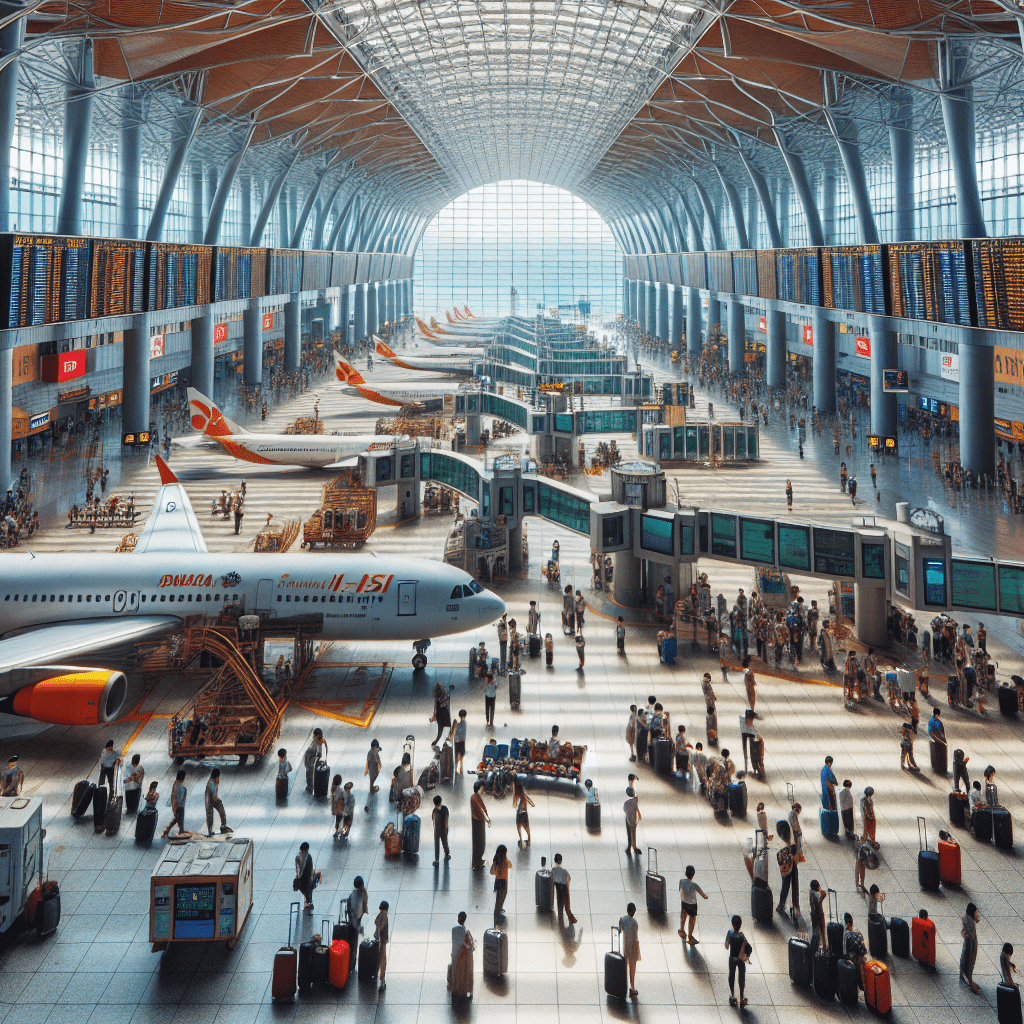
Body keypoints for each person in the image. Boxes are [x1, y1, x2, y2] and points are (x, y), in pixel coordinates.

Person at [776, 819, 799, 921]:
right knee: (788, 886)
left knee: (785, 886)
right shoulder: (788, 844)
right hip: (789, 868)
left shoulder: (783, 844)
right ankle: (783, 905)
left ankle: (782, 905)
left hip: (786, 869)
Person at [678, 865, 708, 944]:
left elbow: (679, 890)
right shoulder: (695, 885)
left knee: (683, 915)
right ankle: (690, 937)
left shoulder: (681, 881)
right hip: (692, 905)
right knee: (692, 919)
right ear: (693, 874)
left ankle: (681, 930)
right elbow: (704, 895)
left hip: (684, 902)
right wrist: (706, 896)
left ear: (685, 873)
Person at [725, 914, 749, 1007]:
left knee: (732, 975)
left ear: (733, 925)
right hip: (740, 960)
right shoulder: (742, 936)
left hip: (732, 958)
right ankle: (742, 997)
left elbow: (726, 946)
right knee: (741, 977)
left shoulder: (729, 933)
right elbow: (746, 946)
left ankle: (732, 995)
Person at [618, 903, 640, 1000]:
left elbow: (620, 930)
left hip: (625, 946)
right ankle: (632, 986)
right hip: (634, 946)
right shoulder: (635, 923)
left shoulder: (622, 919)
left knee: (624, 966)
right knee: (632, 968)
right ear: (634, 912)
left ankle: (622, 985)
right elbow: (635, 936)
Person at [449, 911, 474, 997]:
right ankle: (465, 989)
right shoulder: (466, 931)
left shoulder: (454, 929)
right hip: (463, 956)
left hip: (455, 954)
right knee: (464, 973)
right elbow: (469, 945)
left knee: (456, 972)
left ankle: (455, 988)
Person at [551, 853, 578, 925]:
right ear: (561, 861)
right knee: (567, 904)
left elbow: (552, 878)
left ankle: (560, 918)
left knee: (559, 902)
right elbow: (568, 879)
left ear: (555, 861)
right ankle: (571, 918)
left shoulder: (553, 870)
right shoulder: (564, 871)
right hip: (565, 887)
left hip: (558, 887)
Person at [161, 769, 188, 838]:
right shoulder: (176, 785)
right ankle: (178, 833)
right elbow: (174, 798)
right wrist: (175, 808)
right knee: (179, 820)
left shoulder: (178, 784)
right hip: (178, 806)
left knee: (177, 820)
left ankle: (167, 831)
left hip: (180, 806)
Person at [960, 903, 981, 993]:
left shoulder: (966, 918)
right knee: (969, 963)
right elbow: (970, 935)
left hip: (968, 945)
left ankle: (966, 977)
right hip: (971, 946)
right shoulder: (970, 922)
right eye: (976, 912)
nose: (977, 913)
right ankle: (970, 982)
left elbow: (963, 932)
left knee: (966, 961)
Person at [470, 781, 490, 870]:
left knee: (481, 842)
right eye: (482, 788)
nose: (483, 790)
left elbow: (483, 806)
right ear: (479, 788)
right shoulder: (474, 797)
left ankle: (479, 859)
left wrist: (487, 815)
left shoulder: (477, 796)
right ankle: (476, 862)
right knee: (478, 842)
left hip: (480, 821)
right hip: (477, 821)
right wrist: (486, 818)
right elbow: (479, 808)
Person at [204, 768, 229, 836]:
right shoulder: (212, 783)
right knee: (211, 813)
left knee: (211, 814)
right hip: (210, 800)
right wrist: (218, 800)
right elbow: (214, 795)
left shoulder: (212, 781)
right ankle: (222, 825)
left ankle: (217, 827)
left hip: (210, 799)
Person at [294, 841, 317, 913]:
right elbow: (309, 868)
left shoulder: (300, 857)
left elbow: (298, 869)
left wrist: (298, 877)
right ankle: (308, 903)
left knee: (306, 891)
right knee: (307, 890)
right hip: (305, 878)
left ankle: (308, 903)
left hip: (304, 878)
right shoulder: (306, 857)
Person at [490, 845, 511, 923]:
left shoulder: (496, 860)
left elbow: (493, 871)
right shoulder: (505, 862)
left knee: (498, 898)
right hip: (504, 881)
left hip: (498, 881)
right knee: (502, 897)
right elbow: (510, 866)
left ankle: (498, 910)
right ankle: (497, 913)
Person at [513, 774, 535, 846]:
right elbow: (532, 804)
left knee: (519, 827)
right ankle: (528, 840)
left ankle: (521, 838)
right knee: (527, 828)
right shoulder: (524, 795)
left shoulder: (517, 795)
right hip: (524, 813)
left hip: (519, 813)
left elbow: (514, 804)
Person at [304, 728, 327, 793]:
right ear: (314, 736)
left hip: (312, 762)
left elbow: (319, 754)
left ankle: (310, 786)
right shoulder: (314, 744)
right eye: (318, 737)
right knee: (310, 774)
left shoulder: (316, 743)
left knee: (311, 774)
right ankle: (310, 786)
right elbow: (318, 754)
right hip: (310, 762)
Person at [374, 901, 389, 993]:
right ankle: (382, 980)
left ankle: (379, 976)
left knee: (380, 959)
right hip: (382, 941)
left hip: (379, 941)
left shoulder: (380, 915)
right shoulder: (384, 916)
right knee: (383, 960)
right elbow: (381, 926)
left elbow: (376, 923)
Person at [432, 794, 450, 865]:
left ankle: (442, 855)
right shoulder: (443, 809)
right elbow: (445, 820)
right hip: (440, 828)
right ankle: (442, 856)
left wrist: (445, 828)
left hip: (440, 828)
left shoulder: (438, 810)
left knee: (441, 842)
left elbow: (434, 820)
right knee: (441, 842)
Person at [809, 880, 826, 955]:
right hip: (817, 914)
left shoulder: (811, 892)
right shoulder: (815, 895)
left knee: (815, 931)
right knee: (819, 932)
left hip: (814, 914)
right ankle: (817, 948)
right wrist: (822, 897)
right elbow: (818, 904)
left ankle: (815, 947)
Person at [623, 786, 641, 855]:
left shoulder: (626, 803)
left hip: (628, 819)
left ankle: (629, 847)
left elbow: (624, 810)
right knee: (634, 833)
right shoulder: (634, 801)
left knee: (629, 833)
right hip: (634, 820)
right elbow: (636, 808)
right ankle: (634, 846)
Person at [364, 739, 381, 811]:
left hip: (374, 769)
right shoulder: (372, 753)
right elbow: (368, 761)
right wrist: (366, 769)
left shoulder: (374, 752)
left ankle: (372, 788)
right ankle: (372, 789)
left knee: (373, 780)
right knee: (372, 780)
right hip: (372, 769)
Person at [452, 710, 468, 775]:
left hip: (457, 741)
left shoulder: (458, 724)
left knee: (457, 754)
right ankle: (460, 767)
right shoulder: (464, 723)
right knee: (461, 754)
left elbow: (455, 732)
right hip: (462, 741)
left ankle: (456, 767)